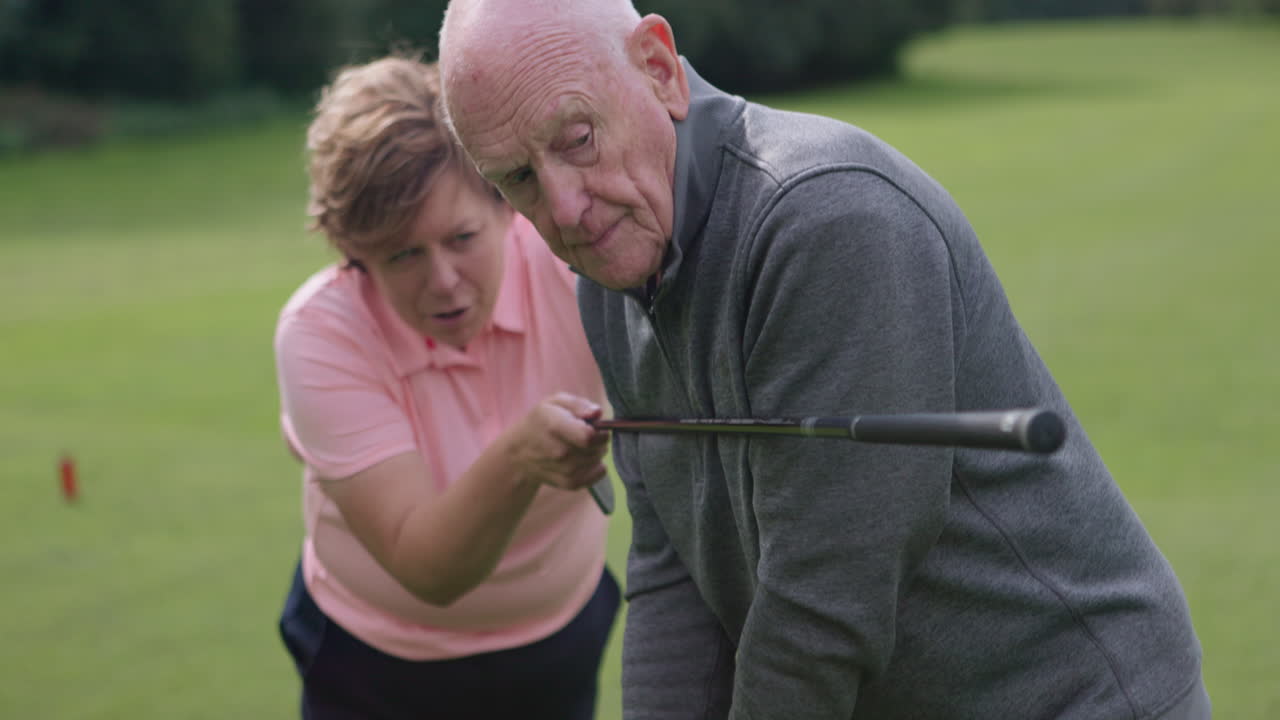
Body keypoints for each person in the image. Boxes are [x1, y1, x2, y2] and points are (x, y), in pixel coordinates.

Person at [437, 2, 1211, 718]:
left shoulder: (825, 218)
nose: (564, 209)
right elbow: (674, 575)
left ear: (660, 70)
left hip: (1072, 700)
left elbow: (823, 602)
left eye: (578, 139)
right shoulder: (611, 277)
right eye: (520, 180)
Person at [272, 55, 619, 719]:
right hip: (371, 668)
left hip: (558, 641)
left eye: (461, 238)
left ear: (505, 205)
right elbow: (427, 567)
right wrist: (520, 457)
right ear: (354, 255)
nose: (444, 281)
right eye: (403, 254)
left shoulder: (573, 263)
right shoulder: (320, 332)